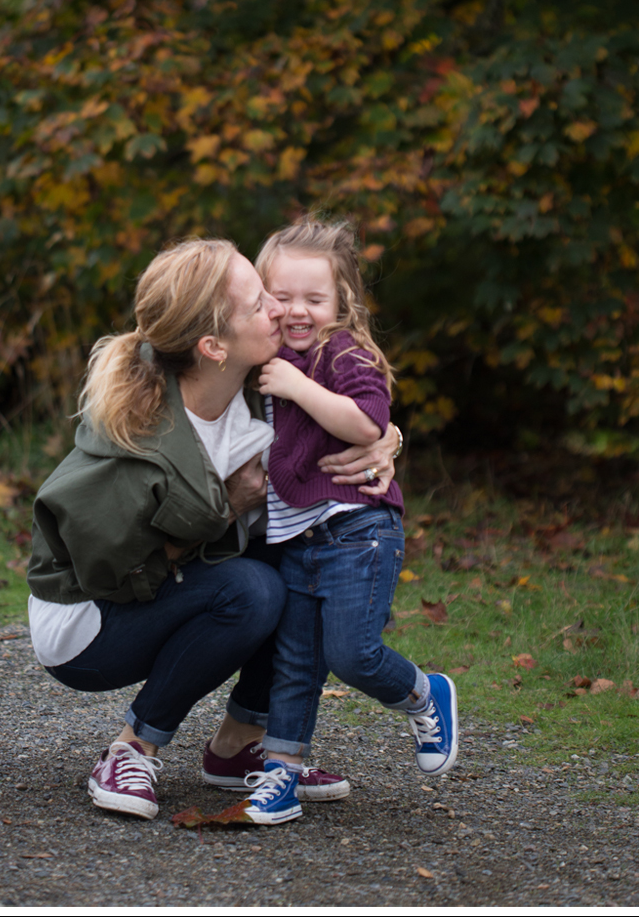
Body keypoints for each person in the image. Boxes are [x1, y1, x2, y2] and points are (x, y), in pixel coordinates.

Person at [27, 239, 400, 820]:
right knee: (253, 590)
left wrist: (385, 439)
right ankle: (132, 748)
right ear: (212, 346)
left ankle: (236, 748)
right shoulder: (137, 436)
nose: (279, 309)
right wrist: (226, 508)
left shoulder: (259, 387)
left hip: (173, 581)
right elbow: (111, 572)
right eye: (260, 304)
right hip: (90, 623)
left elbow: (348, 406)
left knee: (310, 562)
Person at [228, 220, 457, 826]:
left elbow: (368, 424)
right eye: (282, 297)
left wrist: (300, 386)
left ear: (342, 303)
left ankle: (423, 693)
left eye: (315, 299)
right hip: (300, 537)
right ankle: (281, 771)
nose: (297, 311)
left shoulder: (342, 352)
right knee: (296, 663)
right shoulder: (264, 355)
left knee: (351, 654)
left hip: (358, 530)